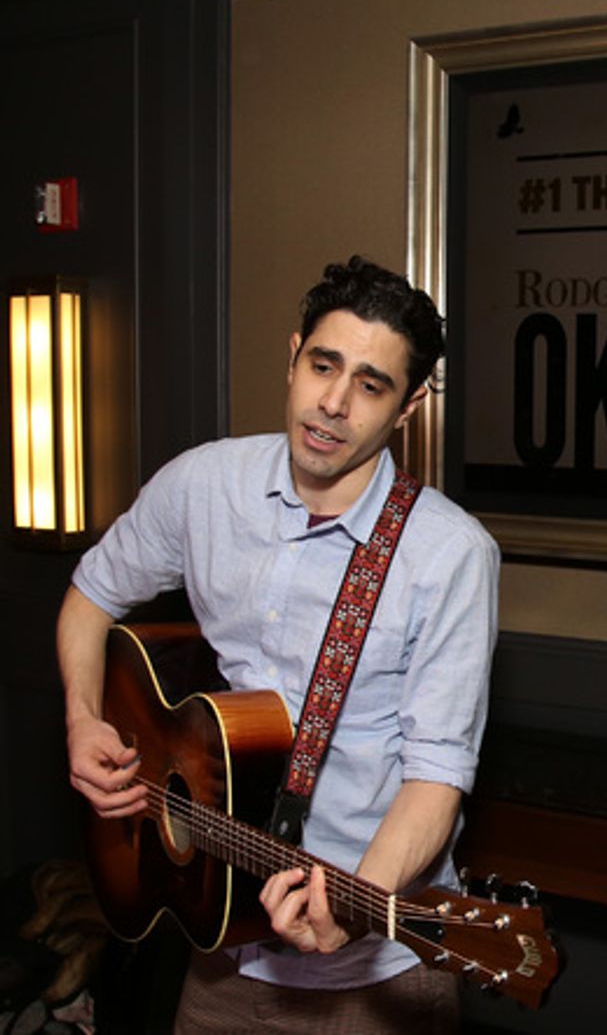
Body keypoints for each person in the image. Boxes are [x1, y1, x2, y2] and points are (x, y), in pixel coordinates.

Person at [57, 255, 499, 1033]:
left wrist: (355, 909)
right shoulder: (203, 487)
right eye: (322, 364)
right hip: (225, 946)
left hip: (377, 978)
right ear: (292, 354)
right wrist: (83, 719)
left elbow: (436, 775)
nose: (332, 403)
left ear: (411, 405)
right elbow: (91, 596)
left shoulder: (450, 554)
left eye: (370, 384)